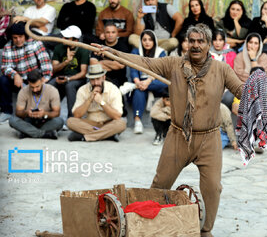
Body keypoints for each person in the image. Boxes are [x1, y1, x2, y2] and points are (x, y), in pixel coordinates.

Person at [93, 23, 244, 237]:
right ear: (186, 44)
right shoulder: (173, 64)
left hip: (209, 139)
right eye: (191, 41)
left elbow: (240, 90)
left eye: (201, 41)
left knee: (213, 188)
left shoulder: (221, 69)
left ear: (209, 45)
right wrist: (113, 53)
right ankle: (147, 223)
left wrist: (255, 100)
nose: (195, 45)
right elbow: (144, 62)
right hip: (178, 135)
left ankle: (206, 230)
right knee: (159, 185)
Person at [0, 22, 52, 123]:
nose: (18, 40)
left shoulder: (35, 43)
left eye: (20, 36)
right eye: (15, 37)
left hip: (35, 78)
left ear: (25, 36)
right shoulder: (8, 47)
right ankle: (7, 112)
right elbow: (5, 67)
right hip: (19, 81)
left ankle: (43, 114)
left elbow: (45, 62)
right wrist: (15, 75)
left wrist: (43, 79)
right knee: (3, 80)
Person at [67, 64, 126, 142]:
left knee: (121, 123)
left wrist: (101, 102)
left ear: (104, 77)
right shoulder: (83, 90)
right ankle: (107, 135)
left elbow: (117, 116)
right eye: (92, 80)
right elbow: (77, 115)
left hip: (108, 123)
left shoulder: (113, 89)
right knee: (70, 121)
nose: (95, 83)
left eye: (98, 79)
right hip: (90, 124)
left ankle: (85, 137)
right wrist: (89, 99)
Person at [130, 30, 167, 134]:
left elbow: (161, 71)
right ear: (141, 41)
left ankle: (140, 86)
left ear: (154, 41)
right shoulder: (136, 52)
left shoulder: (161, 52)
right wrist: (138, 82)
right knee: (138, 92)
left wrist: (148, 81)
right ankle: (137, 120)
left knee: (165, 83)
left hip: (156, 83)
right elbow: (133, 70)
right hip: (140, 84)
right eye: (144, 39)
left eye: (150, 40)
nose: (147, 42)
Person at [49, 25, 90, 118]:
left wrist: (68, 79)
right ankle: (47, 116)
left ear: (75, 40)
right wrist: (66, 62)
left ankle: (71, 118)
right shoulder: (59, 48)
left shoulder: (83, 50)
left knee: (69, 85)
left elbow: (83, 73)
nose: (63, 39)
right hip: (60, 76)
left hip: (76, 79)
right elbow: (54, 69)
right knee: (49, 86)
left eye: (67, 38)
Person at [9, 70, 63, 139]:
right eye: (32, 87)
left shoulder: (52, 90)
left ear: (42, 80)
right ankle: (44, 134)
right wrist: (26, 113)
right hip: (28, 121)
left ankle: (26, 132)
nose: (35, 90)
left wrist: (44, 114)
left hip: (45, 120)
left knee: (59, 121)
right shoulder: (23, 91)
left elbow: (57, 113)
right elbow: (18, 112)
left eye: (37, 86)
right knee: (12, 120)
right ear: (28, 82)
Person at [231, 33, 267, 109]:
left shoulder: (264, 57)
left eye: (256, 43)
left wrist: (253, 59)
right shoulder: (239, 56)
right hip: (242, 86)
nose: (252, 46)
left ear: (259, 45)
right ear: (246, 44)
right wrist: (253, 77)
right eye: (250, 42)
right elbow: (238, 74)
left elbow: (260, 77)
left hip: (259, 87)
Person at [210, 29, 237, 109]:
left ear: (224, 41)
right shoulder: (206, 54)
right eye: (215, 40)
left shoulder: (231, 54)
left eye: (220, 40)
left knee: (228, 98)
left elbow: (233, 74)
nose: (217, 43)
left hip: (227, 86)